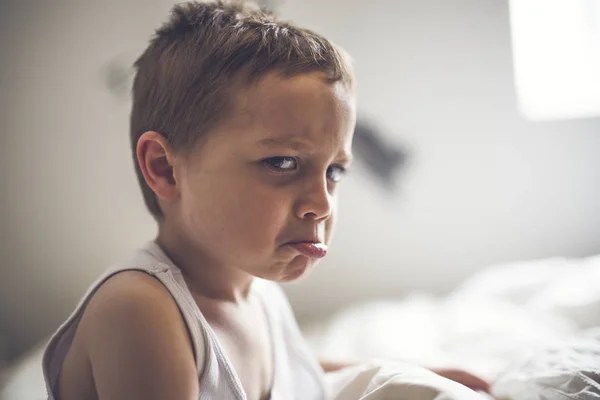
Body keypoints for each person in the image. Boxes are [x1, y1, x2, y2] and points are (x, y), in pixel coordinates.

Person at [42, 1, 489, 399]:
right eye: (281, 162)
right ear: (164, 167)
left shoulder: (255, 289)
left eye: (334, 171)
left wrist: (415, 374)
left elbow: (289, 369)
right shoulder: (141, 311)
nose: (322, 202)